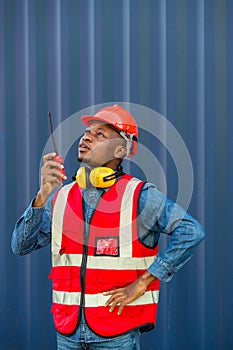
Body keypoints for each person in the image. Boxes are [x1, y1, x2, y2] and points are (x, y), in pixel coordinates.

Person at [12, 104, 205, 350]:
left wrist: (144, 281)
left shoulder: (139, 196)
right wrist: (41, 197)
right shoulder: (61, 197)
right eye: (86, 133)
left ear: (121, 149)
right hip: (67, 333)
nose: (87, 137)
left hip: (117, 335)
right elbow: (20, 246)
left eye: (100, 134)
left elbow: (192, 231)